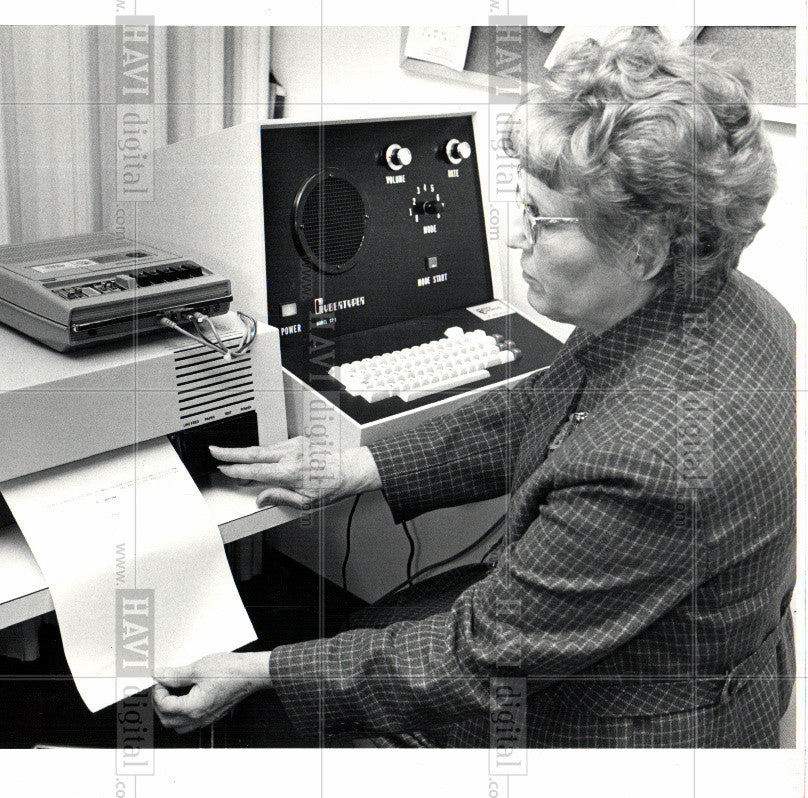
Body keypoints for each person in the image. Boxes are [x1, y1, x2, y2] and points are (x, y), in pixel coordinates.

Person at [151, 31, 796, 747]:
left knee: (281, 718)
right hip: (672, 661)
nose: (517, 239)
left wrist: (260, 672)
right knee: (372, 625)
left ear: (644, 245)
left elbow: (475, 660)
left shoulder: (653, 462)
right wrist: (363, 466)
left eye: (541, 219)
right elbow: (551, 399)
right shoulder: (728, 305)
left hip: (624, 732)